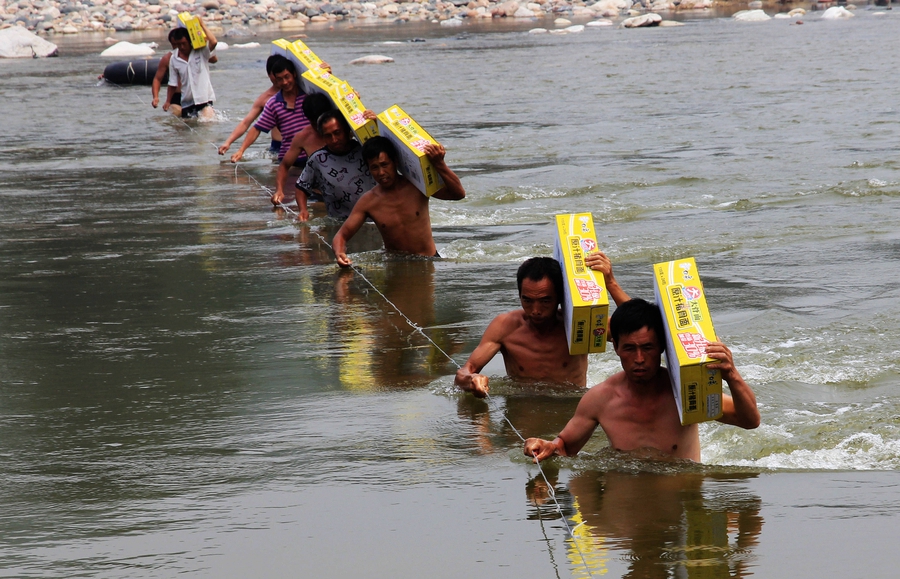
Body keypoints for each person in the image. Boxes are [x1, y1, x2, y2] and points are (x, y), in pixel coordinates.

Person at [523, 297, 760, 463]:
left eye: (648, 347)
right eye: (629, 348)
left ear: (661, 348)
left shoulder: (686, 392)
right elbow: (565, 446)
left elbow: (750, 421)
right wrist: (547, 447)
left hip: (681, 504)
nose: (639, 358)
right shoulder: (599, 399)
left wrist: (731, 375)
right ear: (615, 346)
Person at [455, 253, 630, 396]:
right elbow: (463, 373)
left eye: (545, 301)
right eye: (527, 300)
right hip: (524, 409)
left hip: (570, 409)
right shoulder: (505, 327)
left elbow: (640, 327)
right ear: (520, 295)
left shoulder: (581, 324)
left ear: (561, 298)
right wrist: (472, 380)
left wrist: (611, 283)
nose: (535, 310)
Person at [331, 136, 466, 266]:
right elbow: (341, 236)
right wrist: (340, 253)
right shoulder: (368, 201)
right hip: (396, 266)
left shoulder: (417, 186)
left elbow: (458, 193)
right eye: (375, 167)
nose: (381, 172)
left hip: (428, 261)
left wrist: (439, 164)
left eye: (385, 165)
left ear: (395, 162)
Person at [292, 110, 377, 221]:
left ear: (347, 131)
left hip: (372, 220)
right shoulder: (318, 160)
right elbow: (301, 187)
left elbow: (385, 151)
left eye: (337, 133)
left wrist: (375, 124)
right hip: (339, 223)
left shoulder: (365, 150)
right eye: (328, 136)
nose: (334, 139)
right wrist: (303, 210)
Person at [227, 58, 312, 166]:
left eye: (287, 77)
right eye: (280, 79)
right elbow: (257, 128)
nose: (285, 82)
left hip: (312, 157)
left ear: (294, 74)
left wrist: (326, 74)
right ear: (275, 80)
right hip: (289, 161)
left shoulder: (308, 95)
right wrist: (241, 150)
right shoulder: (273, 104)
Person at [269, 92, 333, 206]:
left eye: (322, 122)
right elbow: (284, 166)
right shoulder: (303, 137)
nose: (319, 128)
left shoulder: (344, 129)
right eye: (314, 123)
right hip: (318, 195)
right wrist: (279, 190)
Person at [217, 54, 287, 158]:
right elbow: (247, 122)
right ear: (269, 75)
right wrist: (228, 142)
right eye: (275, 74)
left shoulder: (300, 91)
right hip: (278, 147)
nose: (280, 78)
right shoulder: (266, 99)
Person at [151, 29, 218, 117]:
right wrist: (158, 98)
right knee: (180, 122)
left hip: (203, 97)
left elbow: (214, 57)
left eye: (183, 44)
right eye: (176, 44)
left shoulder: (199, 52)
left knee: (206, 122)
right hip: (182, 98)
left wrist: (201, 27)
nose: (181, 47)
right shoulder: (170, 59)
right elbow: (161, 80)